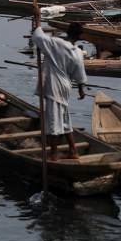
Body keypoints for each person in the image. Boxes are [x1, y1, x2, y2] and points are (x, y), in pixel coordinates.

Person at [33, 24, 88, 161]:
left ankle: (53, 154)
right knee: (64, 119)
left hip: (55, 86)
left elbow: (38, 37)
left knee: (53, 122)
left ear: (67, 32)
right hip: (66, 87)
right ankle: (73, 151)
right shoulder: (77, 52)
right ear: (79, 37)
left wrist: (37, 21)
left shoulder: (57, 43)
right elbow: (80, 75)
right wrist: (81, 90)